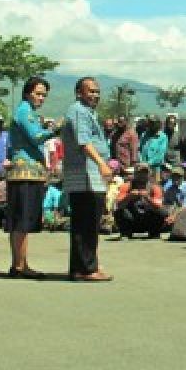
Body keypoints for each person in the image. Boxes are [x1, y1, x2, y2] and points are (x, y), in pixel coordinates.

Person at [61, 77, 113, 282]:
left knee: (87, 222)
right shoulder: (78, 111)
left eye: (97, 91)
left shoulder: (88, 113)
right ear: (79, 93)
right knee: (87, 222)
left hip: (90, 174)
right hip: (85, 175)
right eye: (90, 91)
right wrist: (101, 163)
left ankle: (82, 265)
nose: (95, 95)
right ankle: (87, 268)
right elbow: (84, 142)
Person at [4, 76, 57, 279]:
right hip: (23, 172)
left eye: (44, 95)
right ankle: (19, 264)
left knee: (23, 220)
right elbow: (35, 136)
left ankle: (20, 262)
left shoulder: (29, 112)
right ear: (27, 93)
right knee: (21, 220)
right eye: (38, 93)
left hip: (30, 171)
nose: (41, 98)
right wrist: (54, 129)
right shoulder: (24, 111)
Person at [113, 164, 167, 239]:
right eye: (140, 173)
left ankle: (154, 232)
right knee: (119, 211)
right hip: (132, 220)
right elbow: (118, 205)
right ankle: (126, 233)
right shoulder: (126, 186)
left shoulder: (155, 187)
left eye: (145, 173)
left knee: (162, 212)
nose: (142, 175)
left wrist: (148, 199)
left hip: (147, 220)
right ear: (135, 174)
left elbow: (159, 206)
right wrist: (129, 197)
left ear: (149, 174)